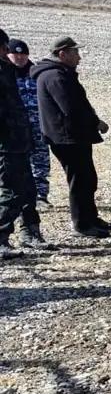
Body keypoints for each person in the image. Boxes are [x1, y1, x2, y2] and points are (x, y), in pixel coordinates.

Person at [31, 36, 111, 239]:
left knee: (88, 178)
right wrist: (96, 123)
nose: (79, 57)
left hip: (74, 136)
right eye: (75, 53)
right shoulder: (54, 76)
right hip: (67, 138)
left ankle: (91, 218)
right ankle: (82, 224)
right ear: (62, 54)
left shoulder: (61, 73)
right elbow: (71, 108)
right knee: (79, 181)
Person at [0, 28, 47, 256]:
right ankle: (1, 238)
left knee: (28, 189)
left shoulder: (7, 70)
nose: (9, 53)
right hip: (6, 145)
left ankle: (30, 232)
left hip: (21, 139)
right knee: (10, 191)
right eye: (5, 49)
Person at [6, 39, 52, 211]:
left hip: (38, 128)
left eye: (23, 54)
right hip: (14, 129)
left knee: (40, 163)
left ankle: (41, 196)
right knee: (13, 164)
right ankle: (15, 197)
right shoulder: (5, 75)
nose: (19, 57)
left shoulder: (36, 74)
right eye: (15, 54)